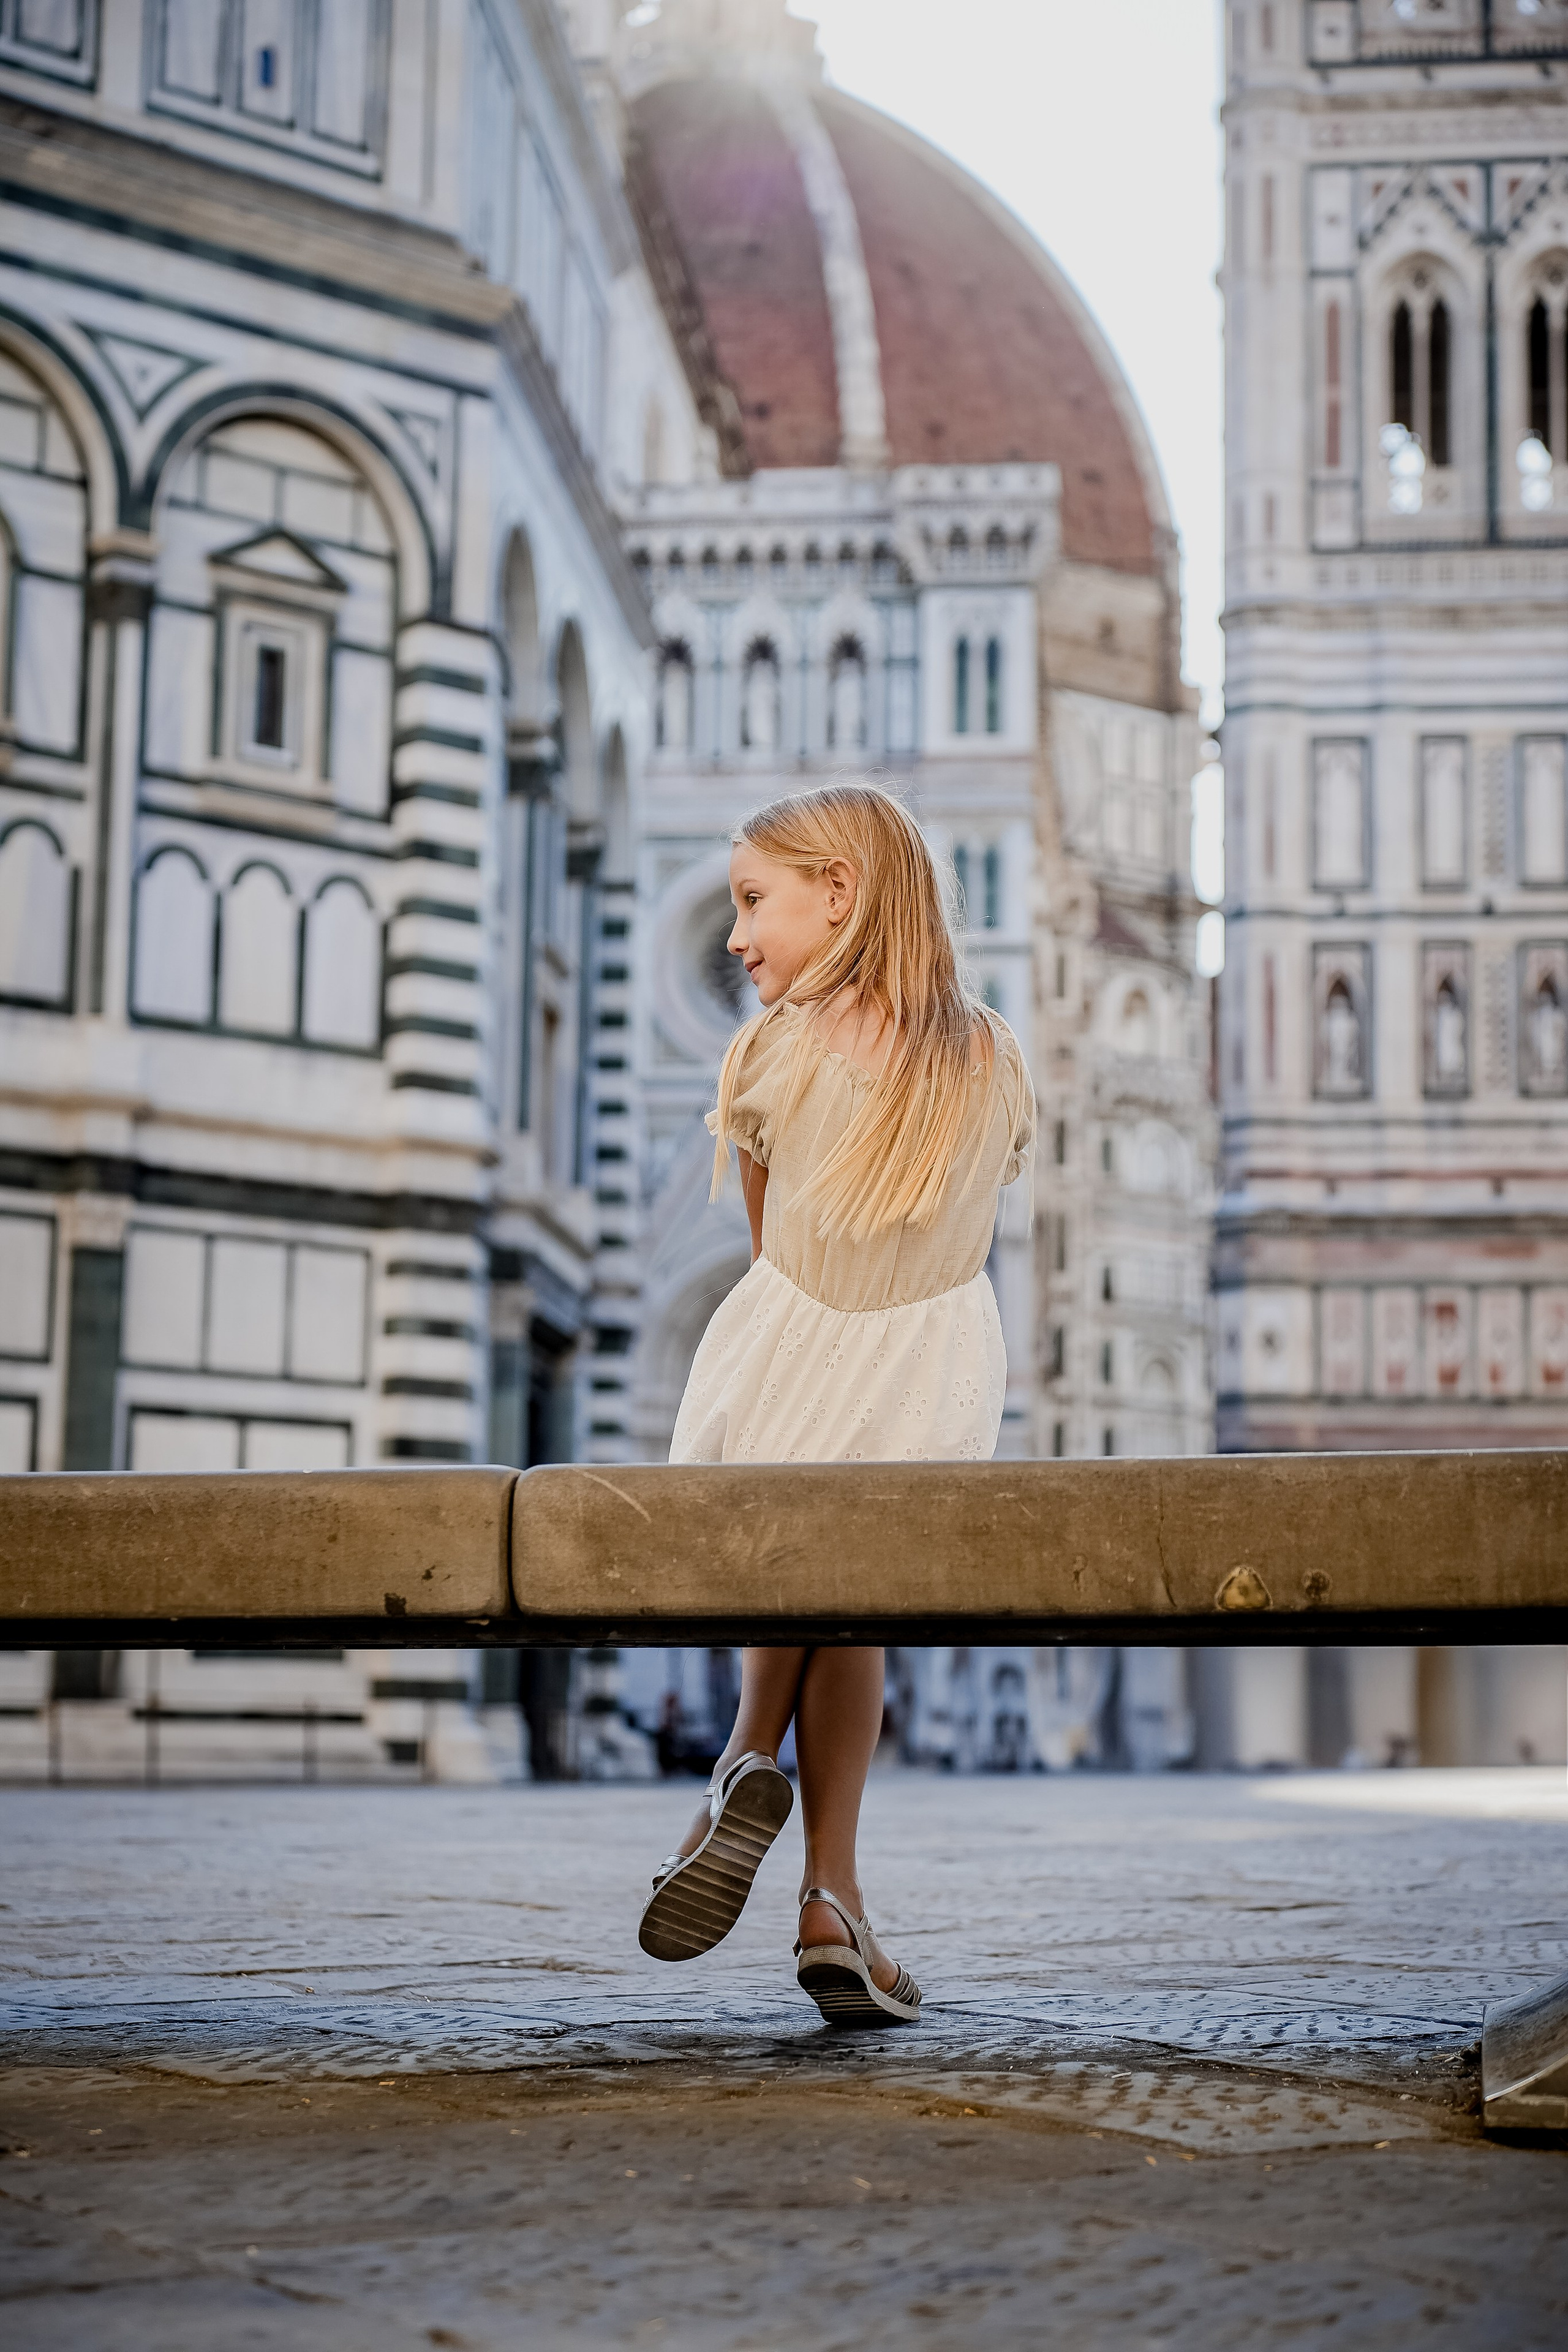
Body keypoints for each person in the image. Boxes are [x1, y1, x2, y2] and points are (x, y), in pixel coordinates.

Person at [638, 783, 1034, 2025]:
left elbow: (775, 1260)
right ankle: (833, 1902)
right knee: (848, 1601)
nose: (738, 936)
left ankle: (742, 1757)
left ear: (841, 896)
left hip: (785, 1352)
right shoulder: (990, 1056)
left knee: (791, 1555)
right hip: (933, 1374)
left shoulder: (764, 1052)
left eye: (754, 903)